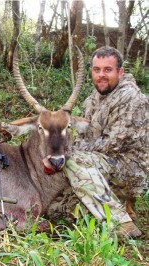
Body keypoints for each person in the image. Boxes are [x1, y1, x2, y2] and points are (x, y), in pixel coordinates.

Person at [63, 46, 148, 238]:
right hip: (97, 168)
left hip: (125, 170)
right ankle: (118, 207)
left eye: (107, 70)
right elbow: (81, 136)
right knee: (57, 209)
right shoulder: (91, 101)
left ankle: (122, 223)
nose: (101, 75)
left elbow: (113, 144)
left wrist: (69, 151)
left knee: (71, 161)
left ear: (120, 72)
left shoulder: (132, 98)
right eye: (96, 69)